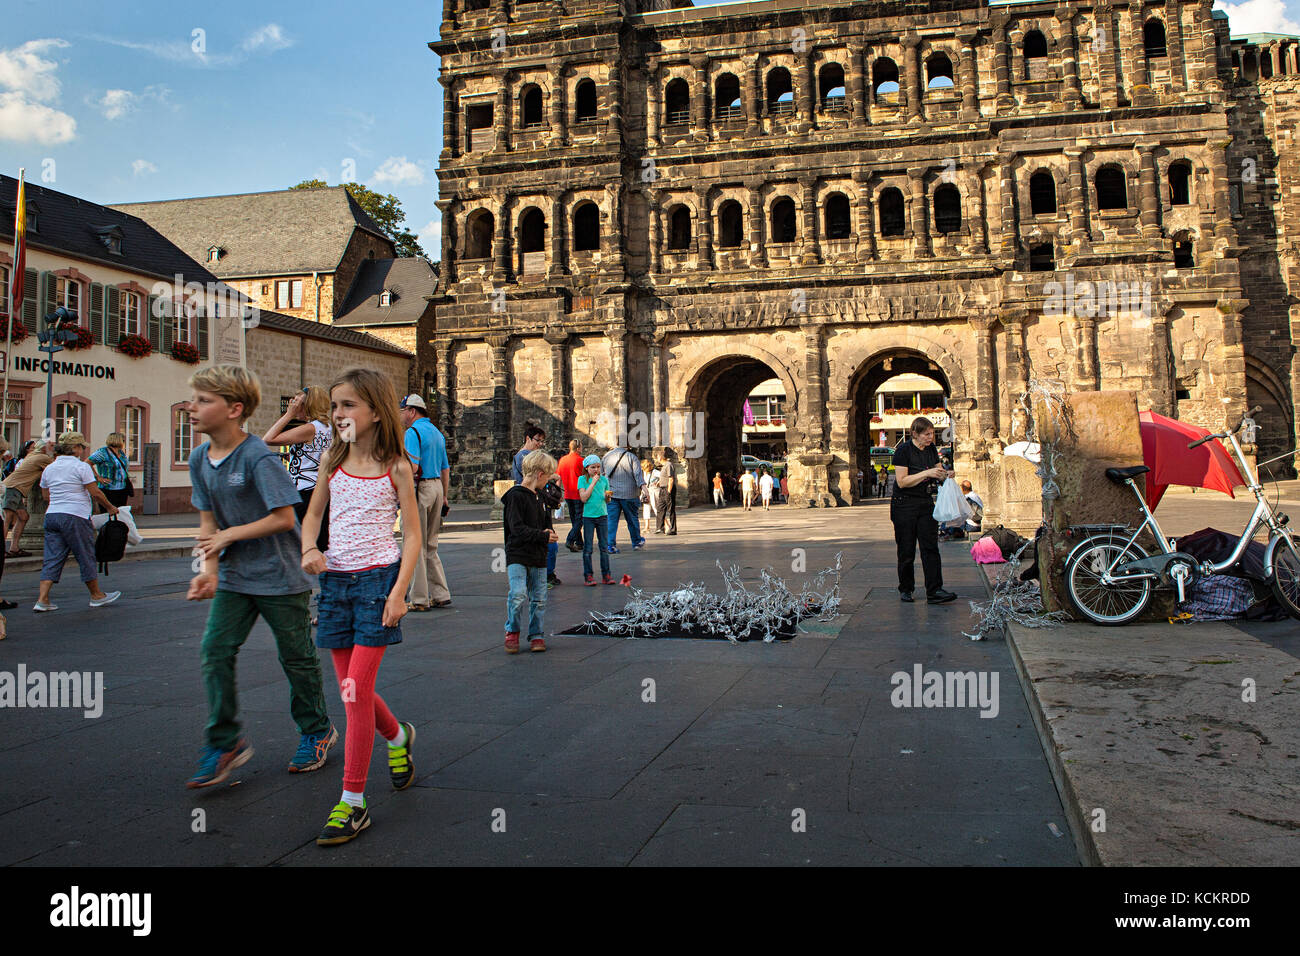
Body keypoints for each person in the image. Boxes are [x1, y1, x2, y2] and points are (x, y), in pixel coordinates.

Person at [184, 364, 336, 789]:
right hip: (234, 576)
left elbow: (283, 517)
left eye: (203, 401)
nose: (192, 407)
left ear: (234, 409)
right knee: (215, 650)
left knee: (297, 658)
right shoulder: (200, 458)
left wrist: (232, 534)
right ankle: (225, 740)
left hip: (280, 574)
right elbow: (207, 521)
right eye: (194, 398)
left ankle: (316, 729)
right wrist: (209, 572)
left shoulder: (258, 457)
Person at [300, 368, 421, 847]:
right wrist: (310, 548)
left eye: (348, 405)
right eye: (334, 406)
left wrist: (399, 592)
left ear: (374, 410)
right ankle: (398, 737)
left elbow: (413, 535)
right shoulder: (332, 458)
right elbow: (312, 515)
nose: (338, 414)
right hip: (334, 583)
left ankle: (352, 803)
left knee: (353, 695)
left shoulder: (397, 466)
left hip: (377, 583)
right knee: (354, 690)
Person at [34, 431, 122, 613]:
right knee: (85, 554)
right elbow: (95, 492)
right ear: (74, 448)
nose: (83, 450)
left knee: (52, 557)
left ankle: (42, 599)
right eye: (81, 446)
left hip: (52, 516)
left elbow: (45, 495)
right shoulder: (81, 467)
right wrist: (110, 507)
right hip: (75, 516)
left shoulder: (49, 468)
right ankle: (96, 595)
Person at [891, 417, 957, 605]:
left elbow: (938, 471)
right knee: (906, 548)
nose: (930, 438)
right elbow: (902, 481)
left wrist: (945, 474)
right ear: (915, 434)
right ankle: (906, 588)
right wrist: (926, 474)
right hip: (904, 504)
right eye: (926, 434)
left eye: (931, 434)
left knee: (930, 547)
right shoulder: (903, 450)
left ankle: (935, 590)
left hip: (925, 502)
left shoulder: (930, 450)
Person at [502, 449, 559, 653]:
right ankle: (512, 630)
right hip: (518, 553)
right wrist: (543, 536)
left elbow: (547, 521)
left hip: (538, 554)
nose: (548, 482)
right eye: (548, 476)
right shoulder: (515, 496)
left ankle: (536, 634)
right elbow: (516, 529)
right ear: (540, 474)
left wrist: (549, 532)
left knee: (539, 597)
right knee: (517, 593)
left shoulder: (540, 496)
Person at [263, 387, 332, 554]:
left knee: (293, 545)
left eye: (298, 403)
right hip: (320, 490)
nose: (294, 406)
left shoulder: (310, 428)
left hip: (304, 492)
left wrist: (288, 415)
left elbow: (268, 439)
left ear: (309, 405)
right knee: (316, 544)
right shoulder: (328, 427)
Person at [400, 393, 452, 609]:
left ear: (412, 411)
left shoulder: (412, 432)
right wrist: (445, 496)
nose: (401, 415)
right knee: (431, 544)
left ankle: (419, 598)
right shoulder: (437, 433)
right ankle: (440, 592)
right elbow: (445, 468)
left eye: (403, 411)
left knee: (414, 543)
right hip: (437, 487)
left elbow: (412, 467)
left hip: (420, 488)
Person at [4, 439, 51, 558]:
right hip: (13, 487)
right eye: (50, 446)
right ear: (44, 449)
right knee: (7, 519)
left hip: (14, 487)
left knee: (23, 517)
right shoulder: (42, 458)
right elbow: (56, 469)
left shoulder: (32, 455)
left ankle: (14, 548)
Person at [577, 454, 615, 584]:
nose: (596, 470)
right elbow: (583, 498)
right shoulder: (582, 480)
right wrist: (592, 482)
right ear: (587, 468)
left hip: (602, 515)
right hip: (588, 517)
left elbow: (607, 500)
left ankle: (606, 575)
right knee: (588, 548)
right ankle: (588, 575)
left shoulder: (604, 480)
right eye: (593, 467)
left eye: (598, 467)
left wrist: (607, 496)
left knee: (604, 547)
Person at [602, 443, 646, 553]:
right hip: (629, 494)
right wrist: (645, 490)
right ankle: (636, 542)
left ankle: (610, 545)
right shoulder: (632, 457)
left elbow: (602, 475)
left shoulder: (606, 457)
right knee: (632, 519)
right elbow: (638, 477)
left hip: (612, 494)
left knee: (611, 521)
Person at [88, 432, 133, 511]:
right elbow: (87, 463)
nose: (124, 442)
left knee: (120, 513)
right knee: (108, 513)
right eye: (123, 440)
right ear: (118, 440)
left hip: (122, 488)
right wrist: (98, 477)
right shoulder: (103, 452)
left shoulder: (121, 453)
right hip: (108, 488)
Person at [557, 439, 586, 553]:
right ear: (578, 448)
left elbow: (558, 478)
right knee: (579, 519)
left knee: (575, 519)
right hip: (579, 494)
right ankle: (570, 540)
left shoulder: (563, 460)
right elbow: (585, 477)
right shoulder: (580, 460)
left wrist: (559, 493)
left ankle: (579, 543)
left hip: (568, 493)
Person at [655, 452, 678, 535]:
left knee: (670, 509)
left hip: (668, 489)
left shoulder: (668, 465)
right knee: (660, 508)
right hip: (662, 489)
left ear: (660, 457)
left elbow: (671, 479)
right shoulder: (664, 466)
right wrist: (659, 482)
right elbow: (664, 477)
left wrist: (669, 491)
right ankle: (660, 528)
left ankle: (673, 529)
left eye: (657, 457)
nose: (656, 459)